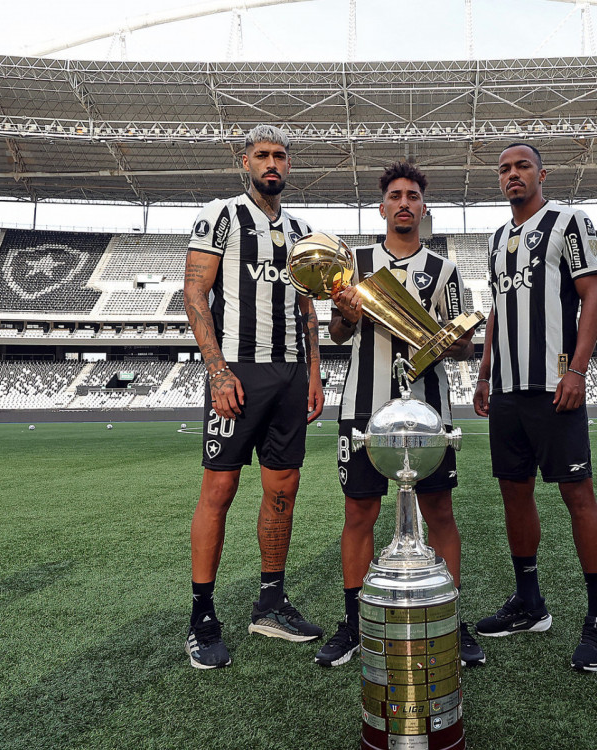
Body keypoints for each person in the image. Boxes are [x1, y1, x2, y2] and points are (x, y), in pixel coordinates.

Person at [313, 161, 484, 668]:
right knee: (358, 513)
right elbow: (338, 335)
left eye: (413, 195)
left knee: (440, 514)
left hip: (427, 411)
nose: (404, 202)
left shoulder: (445, 270)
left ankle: (451, 620)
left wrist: (455, 339)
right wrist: (347, 310)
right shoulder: (355, 264)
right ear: (382, 206)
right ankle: (354, 622)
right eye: (396, 195)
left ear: (423, 207)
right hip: (362, 408)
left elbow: (461, 351)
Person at [472, 142, 597, 672]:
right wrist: (485, 372)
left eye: (522, 167)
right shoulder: (496, 238)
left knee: (577, 493)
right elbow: (497, 310)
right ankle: (529, 603)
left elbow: (593, 295)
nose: (513, 175)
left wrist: (576, 370)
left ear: (541, 174)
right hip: (507, 390)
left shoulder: (568, 221)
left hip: (554, 385)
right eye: (505, 169)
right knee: (515, 494)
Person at [182, 124, 326, 669]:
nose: (273, 163)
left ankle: (270, 601)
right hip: (238, 370)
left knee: (283, 487)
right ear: (245, 162)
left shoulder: (304, 229)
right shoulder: (221, 214)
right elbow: (195, 291)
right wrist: (217, 371)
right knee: (219, 489)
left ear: (289, 165)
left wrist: (314, 372)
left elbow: (309, 306)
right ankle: (202, 615)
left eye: (281, 155)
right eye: (263, 155)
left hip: (290, 374)